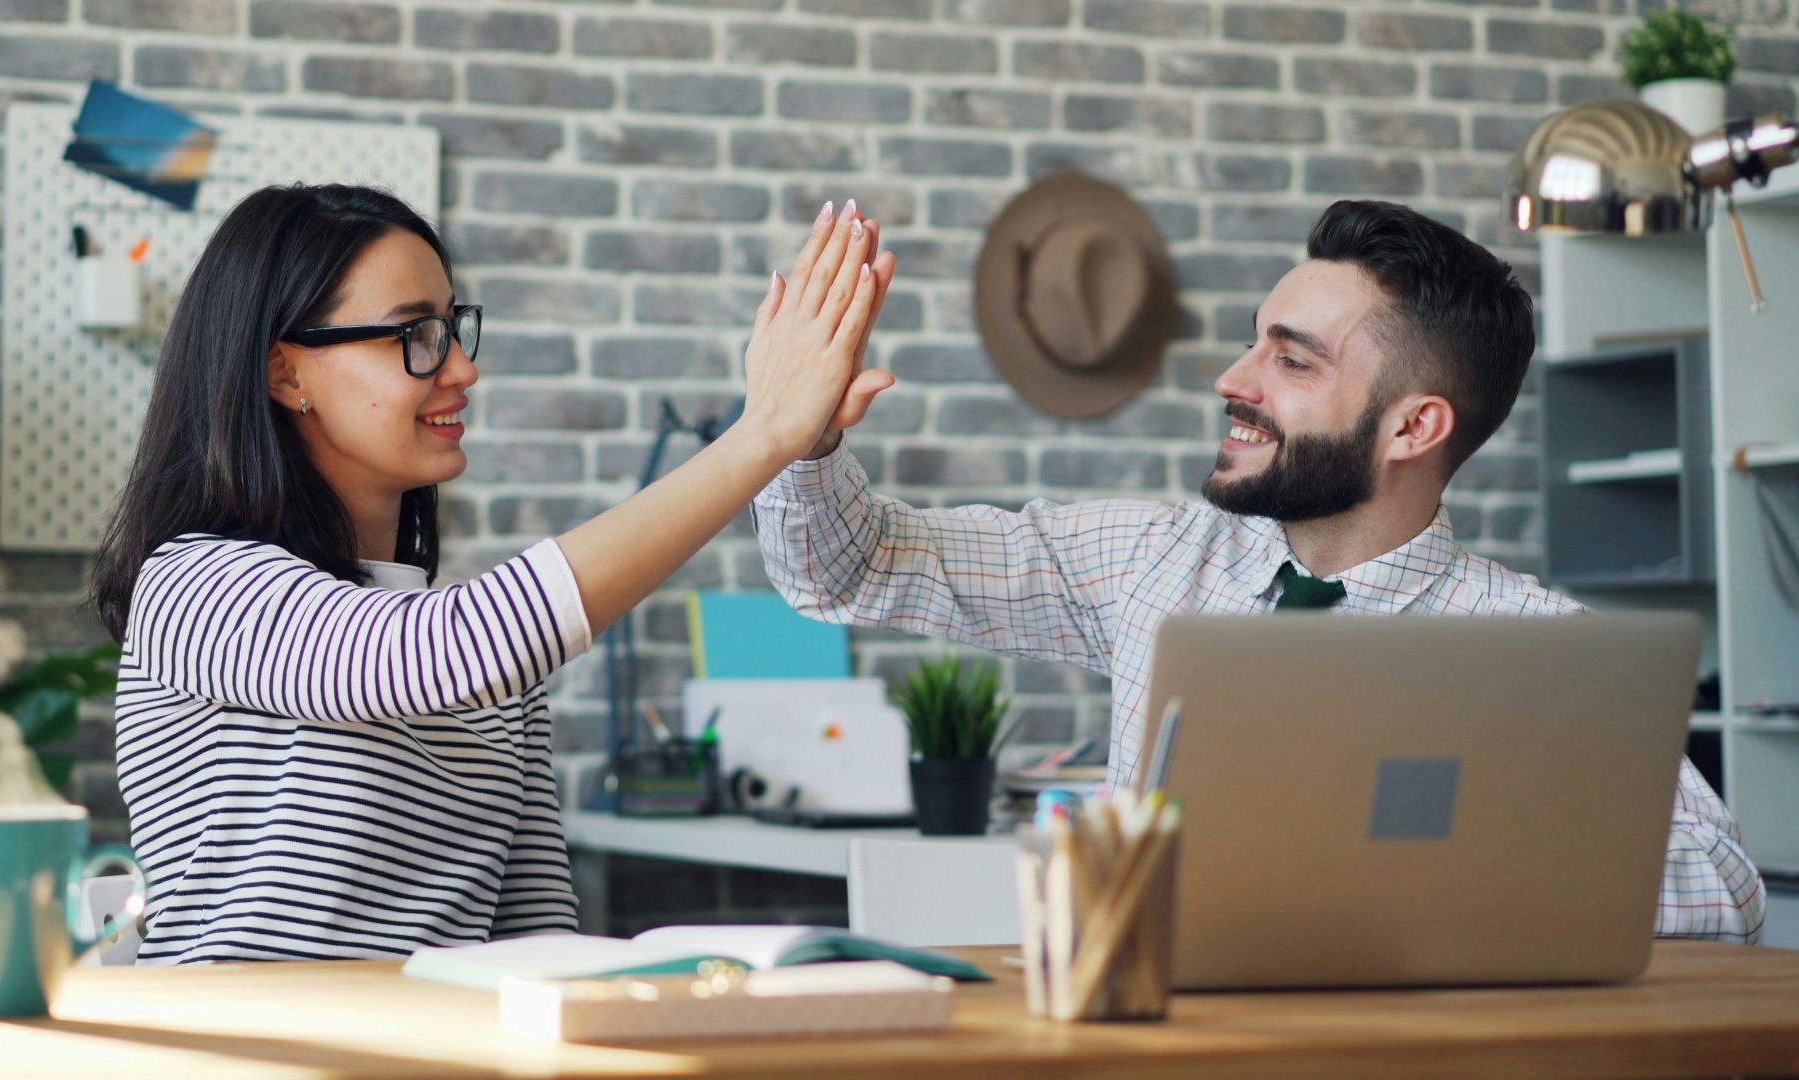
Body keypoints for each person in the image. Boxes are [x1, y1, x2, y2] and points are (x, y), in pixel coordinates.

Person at [754, 199, 1765, 944]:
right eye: (1252, 345)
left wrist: (1424, 857)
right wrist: (798, 442)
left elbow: (1723, 891)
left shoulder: (1540, 648)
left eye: (1292, 360)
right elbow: (850, 566)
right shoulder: (1150, 564)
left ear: (1415, 426)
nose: (1233, 382)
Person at [89, 184, 896, 963]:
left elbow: (536, 936)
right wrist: (760, 439)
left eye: (451, 328)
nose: (460, 370)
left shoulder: (494, 666)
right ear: (286, 373)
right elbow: (425, 657)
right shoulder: (193, 586)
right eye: (414, 336)